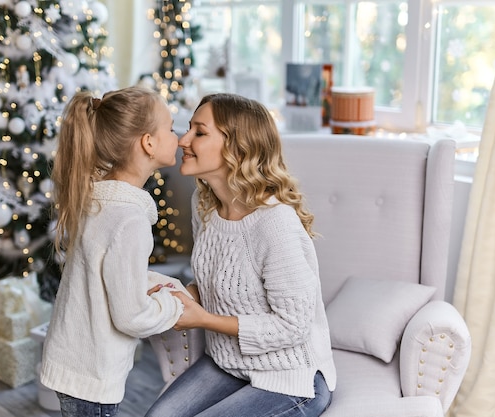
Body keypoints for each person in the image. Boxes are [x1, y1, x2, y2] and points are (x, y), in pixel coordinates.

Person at [145, 93, 337, 417]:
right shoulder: (203, 204)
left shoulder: (275, 224)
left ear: (236, 147)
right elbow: (219, 279)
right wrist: (183, 294)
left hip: (291, 381)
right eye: (188, 129)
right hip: (227, 365)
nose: (183, 140)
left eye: (199, 132)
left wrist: (203, 319)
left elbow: (293, 326)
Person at [40, 86, 185, 417]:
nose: (179, 137)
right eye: (172, 127)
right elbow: (132, 317)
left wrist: (150, 284)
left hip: (71, 363)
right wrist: (173, 306)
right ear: (148, 143)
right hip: (92, 378)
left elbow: (102, 273)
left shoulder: (99, 202)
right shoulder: (129, 220)